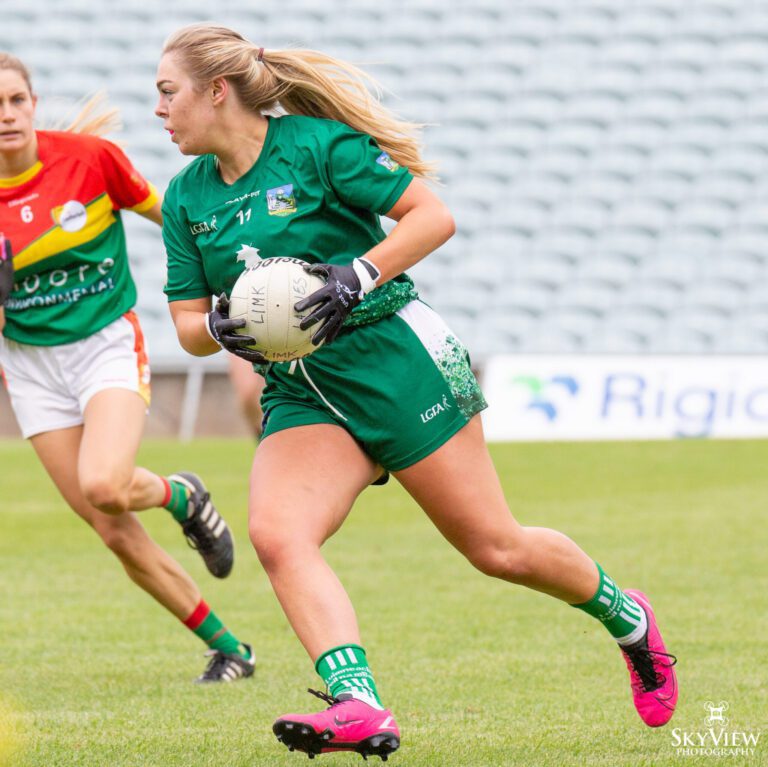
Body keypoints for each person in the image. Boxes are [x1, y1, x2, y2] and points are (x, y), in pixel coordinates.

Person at [155, 24, 678, 760]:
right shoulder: (184, 198)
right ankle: (359, 703)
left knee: (497, 548)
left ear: (217, 91)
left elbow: (434, 215)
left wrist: (355, 274)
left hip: (397, 360)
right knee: (279, 534)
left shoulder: (316, 146)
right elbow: (185, 324)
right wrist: (220, 321)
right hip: (305, 394)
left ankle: (630, 621)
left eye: (166, 91)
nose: (159, 110)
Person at [0, 52, 255, 684]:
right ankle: (232, 651)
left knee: (106, 485)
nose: (6, 117)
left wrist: (235, 280)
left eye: (16, 101)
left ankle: (181, 494)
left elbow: (174, 216)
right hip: (30, 369)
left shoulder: (89, 160)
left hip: (103, 346)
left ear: (33, 103)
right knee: (113, 532)